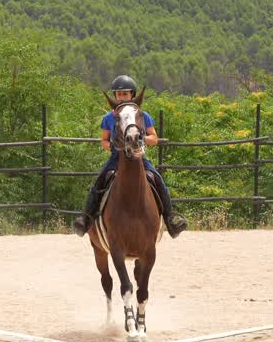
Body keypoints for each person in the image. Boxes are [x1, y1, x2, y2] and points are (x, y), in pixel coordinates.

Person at [72, 75, 189, 238]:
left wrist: (141, 139)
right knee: (99, 181)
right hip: (116, 158)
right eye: (119, 95)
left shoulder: (142, 115)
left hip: (138, 156)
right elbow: (104, 141)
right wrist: (111, 145)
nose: (121, 97)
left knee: (157, 180)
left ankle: (171, 219)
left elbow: (154, 138)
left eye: (125, 94)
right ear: (115, 97)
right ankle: (86, 218)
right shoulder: (108, 118)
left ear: (132, 95)